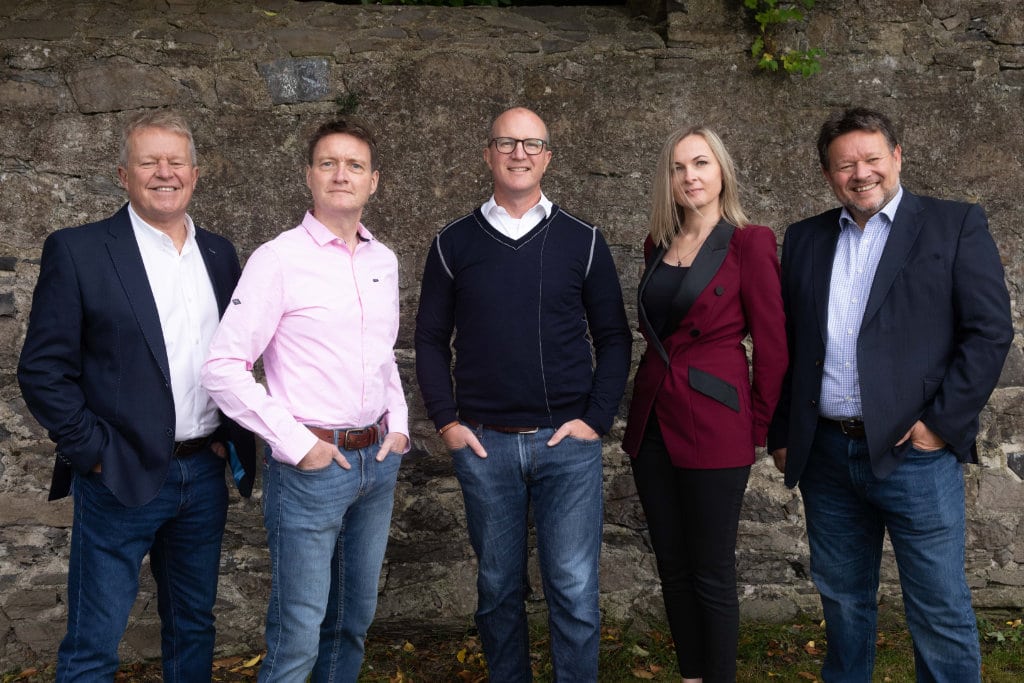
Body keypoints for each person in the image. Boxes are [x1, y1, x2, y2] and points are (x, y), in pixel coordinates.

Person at [768, 107, 1013, 681]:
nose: (861, 174)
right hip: (826, 454)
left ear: (897, 156)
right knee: (844, 603)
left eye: (872, 159)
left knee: (938, 606)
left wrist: (939, 426)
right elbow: (788, 344)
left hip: (913, 455)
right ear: (828, 174)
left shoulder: (954, 225)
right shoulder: (804, 239)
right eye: (845, 165)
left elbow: (989, 331)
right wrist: (783, 432)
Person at [17, 110, 257, 682]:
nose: (163, 173)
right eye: (148, 162)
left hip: (202, 474)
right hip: (118, 476)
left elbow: (235, 356)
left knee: (193, 626)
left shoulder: (221, 255)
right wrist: (94, 451)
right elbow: (42, 369)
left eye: (175, 162)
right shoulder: (78, 250)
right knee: (95, 641)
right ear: (123, 175)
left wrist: (226, 436)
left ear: (195, 174)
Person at [414, 106, 632, 681]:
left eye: (532, 144)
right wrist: (447, 422)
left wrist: (595, 419)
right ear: (488, 154)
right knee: (496, 588)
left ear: (548, 158)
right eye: (507, 142)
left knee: (575, 588)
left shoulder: (582, 240)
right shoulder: (453, 243)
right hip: (485, 446)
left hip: (567, 445)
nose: (519, 153)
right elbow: (430, 341)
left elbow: (614, 337)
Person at [201, 118, 409, 683]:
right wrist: (297, 443)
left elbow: (383, 353)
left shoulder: (382, 260)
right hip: (313, 468)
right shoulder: (278, 259)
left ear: (374, 182)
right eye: (328, 163)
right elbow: (222, 368)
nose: (342, 174)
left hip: (377, 463)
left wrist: (401, 425)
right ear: (309, 176)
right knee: (298, 632)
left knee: (352, 622)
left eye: (355, 165)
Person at [620, 126, 787, 682]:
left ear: (721, 172)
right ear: (666, 179)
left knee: (711, 567)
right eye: (677, 167)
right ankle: (692, 674)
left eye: (701, 163)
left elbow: (772, 344)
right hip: (652, 424)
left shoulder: (750, 241)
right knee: (672, 564)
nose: (690, 176)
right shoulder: (657, 243)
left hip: (718, 423)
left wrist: (757, 428)